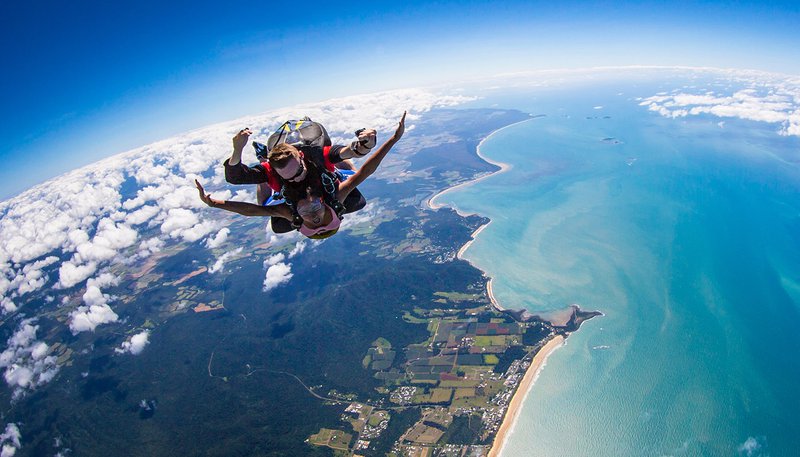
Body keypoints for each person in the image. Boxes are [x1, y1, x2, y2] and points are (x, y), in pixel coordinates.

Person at [196, 112, 406, 239]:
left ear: (300, 221)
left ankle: (264, 159)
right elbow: (363, 172)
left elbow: (251, 210)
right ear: (329, 209)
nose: (314, 216)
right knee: (343, 170)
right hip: (320, 170)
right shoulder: (336, 198)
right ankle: (316, 163)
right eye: (320, 216)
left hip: (281, 179)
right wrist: (391, 140)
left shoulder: (288, 213)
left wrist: (215, 202)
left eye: (311, 221)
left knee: (267, 198)